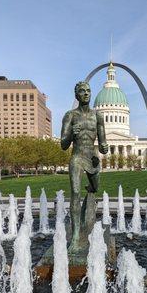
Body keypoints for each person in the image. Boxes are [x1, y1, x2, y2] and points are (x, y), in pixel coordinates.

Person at [61, 81, 108, 254]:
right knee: (75, 192)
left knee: (94, 188)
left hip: (93, 157)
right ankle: (74, 237)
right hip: (77, 157)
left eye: (88, 91)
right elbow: (63, 145)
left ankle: (86, 214)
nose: (86, 93)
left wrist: (104, 147)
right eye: (82, 91)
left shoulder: (98, 116)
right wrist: (71, 133)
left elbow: (103, 142)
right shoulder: (70, 116)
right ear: (77, 95)